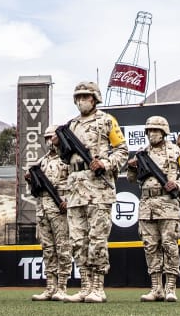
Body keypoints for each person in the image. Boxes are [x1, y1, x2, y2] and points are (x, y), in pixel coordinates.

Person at [60, 81, 128, 304]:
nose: (81, 101)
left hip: (98, 187)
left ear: (95, 98)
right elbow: (64, 159)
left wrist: (106, 163)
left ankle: (98, 287)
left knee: (97, 239)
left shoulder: (107, 120)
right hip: (75, 187)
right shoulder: (71, 126)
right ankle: (84, 285)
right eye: (78, 97)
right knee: (78, 240)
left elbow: (122, 150)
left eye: (85, 96)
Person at [126, 115, 180, 303]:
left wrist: (178, 185)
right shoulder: (141, 153)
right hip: (147, 204)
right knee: (150, 247)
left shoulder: (176, 152)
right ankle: (156, 288)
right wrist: (132, 167)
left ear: (164, 132)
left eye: (156, 130)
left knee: (170, 245)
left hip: (167, 204)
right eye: (150, 130)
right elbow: (132, 179)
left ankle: (170, 287)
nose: (152, 134)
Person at [29, 125, 72, 302]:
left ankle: (62, 287)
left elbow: (75, 182)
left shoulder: (68, 159)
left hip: (60, 207)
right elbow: (34, 190)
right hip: (43, 209)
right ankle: (50, 287)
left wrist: (68, 201)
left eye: (52, 137)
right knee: (47, 249)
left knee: (62, 248)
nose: (49, 142)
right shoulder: (42, 162)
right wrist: (31, 181)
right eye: (46, 138)